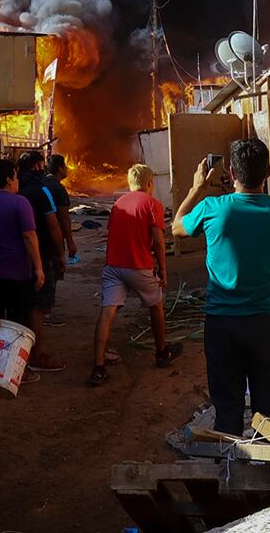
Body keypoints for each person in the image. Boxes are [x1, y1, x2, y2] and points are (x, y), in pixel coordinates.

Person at [172, 138, 270, 437]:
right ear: (267, 172)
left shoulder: (212, 208)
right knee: (269, 414)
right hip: (268, 325)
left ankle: (228, 473)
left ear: (230, 172)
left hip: (223, 326)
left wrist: (196, 188)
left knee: (227, 411)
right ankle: (268, 472)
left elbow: (176, 227)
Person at [89, 164, 184, 386]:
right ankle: (162, 353)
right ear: (150, 183)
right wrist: (162, 269)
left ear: (131, 184)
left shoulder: (118, 203)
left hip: (113, 266)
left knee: (107, 312)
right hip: (139, 267)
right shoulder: (152, 204)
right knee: (156, 305)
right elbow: (159, 243)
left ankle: (98, 367)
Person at [0, 160, 44, 337]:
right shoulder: (20, 203)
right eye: (16, 176)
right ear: (8, 179)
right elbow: (29, 237)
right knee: (17, 325)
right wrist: (38, 267)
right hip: (17, 275)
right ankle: (15, 363)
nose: (18, 181)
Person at [15, 151, 69, 367]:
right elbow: (54, 225)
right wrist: (61, 253)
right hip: (42, 254)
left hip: (17, 257)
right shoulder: (42, 192)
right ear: (38, 166)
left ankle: (19, 352)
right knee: (38, 306)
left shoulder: (15, 189)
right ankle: (38, 354)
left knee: (22, 305)